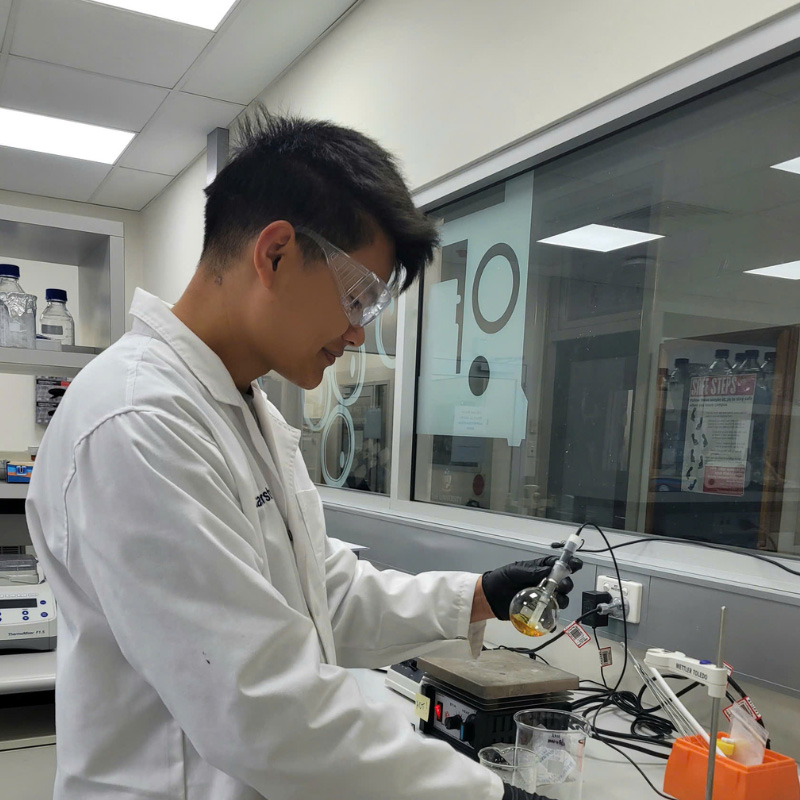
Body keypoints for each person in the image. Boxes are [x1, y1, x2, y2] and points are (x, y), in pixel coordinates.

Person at [26, 110, 580, 800]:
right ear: (276, 252)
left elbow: (327, 596)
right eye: (357, 296)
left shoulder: (240, 408)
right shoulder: (138, 420)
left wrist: (477, 595)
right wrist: (486, 795)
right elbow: (260, 708)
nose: (356, 333)